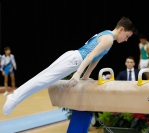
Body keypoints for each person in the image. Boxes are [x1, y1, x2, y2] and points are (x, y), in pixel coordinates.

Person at [3, 17, 137, 116]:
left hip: (73, 60)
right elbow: (90, 56)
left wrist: (85, 76)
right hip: (74, 60)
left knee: (43, 80)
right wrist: (78, 74)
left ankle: (14, 97)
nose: (126, 40)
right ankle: (14, 98)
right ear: (121, 29)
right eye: (127, 36)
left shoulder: (109, 38)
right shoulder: (108, 39)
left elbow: (96, 59)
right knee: (42, 80)